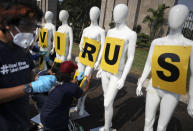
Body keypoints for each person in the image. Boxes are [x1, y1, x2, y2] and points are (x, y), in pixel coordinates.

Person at [0, 0, 57, 131]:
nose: (32, 32)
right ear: (8, 23)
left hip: (22, 122)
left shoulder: (21, 49)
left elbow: (29, 75)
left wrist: (40, 78)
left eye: (34, 27)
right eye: (29, 26)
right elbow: (27, 87)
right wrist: (29, 88)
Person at [136, 5, 193, 131]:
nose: (174, 18)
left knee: (162, 127)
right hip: (154, 86)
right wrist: (141, 81)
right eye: (172, 14)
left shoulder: (189, 45)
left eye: (178, 15)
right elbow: (148, 64)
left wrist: (191, 100)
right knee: (147, 121)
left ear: (185, 19)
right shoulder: (157, 42)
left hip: (172, 91)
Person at [95, 4, 137, 131]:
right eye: (115, 12)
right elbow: (107, 50)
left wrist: (123, 78)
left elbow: (130, 57)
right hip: (106, 70)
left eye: (119, 12)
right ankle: (108, 125)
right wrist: (101, 67)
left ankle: (107, 128)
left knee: (107, 102)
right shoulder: (110, 32)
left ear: (125, 14)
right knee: (107, 102)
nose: (115, 15)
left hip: (116, 73)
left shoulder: (131, 34)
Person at [40, 61, 92, 131]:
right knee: (74, 128)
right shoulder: (72, 87)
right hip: (55, 122)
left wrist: (76, 80)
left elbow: (66, 85)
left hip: (44, 117)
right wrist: (88, 81)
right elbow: (84, 92)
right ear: (71, 73)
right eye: (74, 71)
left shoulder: (56, 81)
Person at [76, 6, 105, 116]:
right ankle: (78, 104)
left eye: (95, 13)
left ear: (98, 15)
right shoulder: (86, 30)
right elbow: (81, 43)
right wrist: (80, 47)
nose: (92, 15)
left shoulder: (101, 31)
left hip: (92, 60)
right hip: (83, 58)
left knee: (85, 82)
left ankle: (82, 104)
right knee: (79, 81)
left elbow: (102, 47)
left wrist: (98, 61)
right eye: (91, 12)